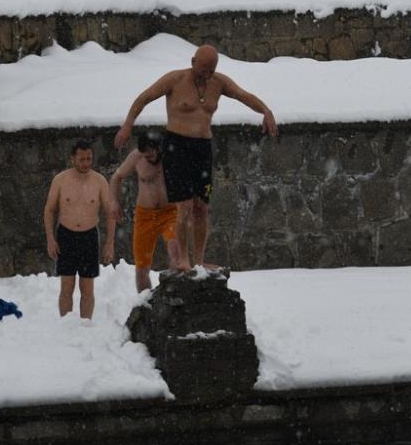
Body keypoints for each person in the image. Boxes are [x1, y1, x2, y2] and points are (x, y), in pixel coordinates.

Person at [114, 44, 278, 270]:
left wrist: (266, 111)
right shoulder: (175, 79)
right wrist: (127, 125)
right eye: (203, 69)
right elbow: (144, 98)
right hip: (177, 147)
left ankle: (199, 261)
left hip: (203, 149)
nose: (207, 75)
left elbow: (242, 95)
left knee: (202, 207)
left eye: (211, 70)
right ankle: (183, 259)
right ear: (193, 62)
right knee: (185, 206)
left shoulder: (219, 83)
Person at [103, 131, 182, 292]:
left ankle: (176, 292)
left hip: (170, 212)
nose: (149, 158)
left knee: (175, 250)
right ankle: (146, 305)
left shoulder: (172, 155)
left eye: (152, 154)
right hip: (145, 216)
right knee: (141, 268)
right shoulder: (136, 157)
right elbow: (116, 177)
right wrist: (114, 202)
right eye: (146, 155)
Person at [43, 138, 111, 320]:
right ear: (72, 158)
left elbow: (110, 213)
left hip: (89, 236)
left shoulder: (100, 181)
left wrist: (109, 243)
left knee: (87, 287)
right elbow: (49, 210)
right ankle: (66, 325)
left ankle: (85, 325)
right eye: (81, 159)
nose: (85, 163)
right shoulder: (60, 180)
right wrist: (50, 239)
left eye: (89, 159)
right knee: (67, 286)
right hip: (66, 235)